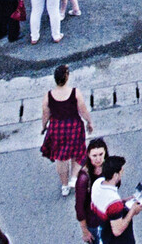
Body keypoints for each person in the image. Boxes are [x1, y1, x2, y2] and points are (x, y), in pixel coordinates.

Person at [41, 63, 93, 197]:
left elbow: (45, 114)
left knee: (61, 158)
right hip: (74, 127)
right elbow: (83, 110)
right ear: (67, 77)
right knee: (77, 152)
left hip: (57, 129)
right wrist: (89, 122)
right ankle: (74, 177)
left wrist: (44, 126)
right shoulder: (75, 93)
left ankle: (64, 186)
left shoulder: (48, 95)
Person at [90, 155, 142, 242]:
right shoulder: (114, 201)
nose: (122, 174)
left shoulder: (97, 183)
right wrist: (133, 211)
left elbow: (105, 203)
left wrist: (123, 201)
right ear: (115, 175)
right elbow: (117, 231)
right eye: (121, 172)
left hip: (102, 231)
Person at [75, 137, 108, 244]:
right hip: (94, 222)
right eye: (94, 155)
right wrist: (85, 231)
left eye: (101, 154)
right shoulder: (84, 177)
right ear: (88, 155)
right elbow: (79, 206)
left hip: (108, 217)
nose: (98, 159)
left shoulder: (108, 167)